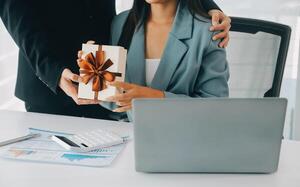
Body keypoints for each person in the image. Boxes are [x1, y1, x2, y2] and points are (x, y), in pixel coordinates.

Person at [0, 0, 230, 120]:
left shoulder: (122, 27)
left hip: (106, 63)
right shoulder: (125, 25)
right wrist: (54, 69)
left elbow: (213, 108)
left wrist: (207, 10)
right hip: (52, 84)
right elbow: (15, 7)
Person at [100, 0, 229, 120]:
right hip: (127, 135)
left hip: (183, 134)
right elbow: (119, 102)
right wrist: (93, 87)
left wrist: (155, 98)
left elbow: (215, 107)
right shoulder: (121, 23)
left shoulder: (208, 31)